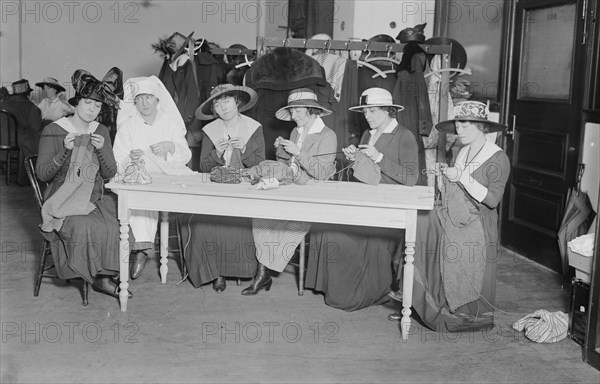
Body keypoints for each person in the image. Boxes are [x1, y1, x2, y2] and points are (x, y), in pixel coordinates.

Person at [388, 100, 510, 332]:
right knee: (419, 220)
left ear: (481, 127)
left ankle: (427, 300)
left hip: (478, 221)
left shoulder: (498, 158)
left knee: (424, 225)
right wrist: (444, 176)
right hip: (456, 212)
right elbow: (453, 192)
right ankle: (415, 298)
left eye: (464, 126)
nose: (459, 131)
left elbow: (492, 200)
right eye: (457, 126)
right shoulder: (463, 151)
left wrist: (461, 176)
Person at [305, 88, 419, 311]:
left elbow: (411, 178)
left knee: (344, 236)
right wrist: (355, 157)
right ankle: (334, 287)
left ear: (388, 111)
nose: (367, 116)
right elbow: (367, 170)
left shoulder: (404, 136)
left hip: (390, 207)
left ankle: (361, 292)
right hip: (368, 199)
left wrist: (379, 157)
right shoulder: (369, 133)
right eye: (365, 111)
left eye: (373, 111)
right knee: (326, 226)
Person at [36, 68, 129, 299]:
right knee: (87, 225)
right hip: (63, 194)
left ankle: (105, 276)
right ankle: (97, 275)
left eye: (98, 106)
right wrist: (64, 152)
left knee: (119, 223)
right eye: (88, 102)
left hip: (95, 192)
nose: (92, 109)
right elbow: (43, 175)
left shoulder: (101, 130)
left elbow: (110, 172)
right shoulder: (54, 130)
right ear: (76, 103)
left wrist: (100, 150)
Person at [242, 88, 337, 295]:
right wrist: (282, 151)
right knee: (259, 214)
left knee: (291, 221)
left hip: (311, 193)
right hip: (290, 186)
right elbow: (287, 167)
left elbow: (322, 174)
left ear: (312, 110)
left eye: (297, 111)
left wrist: (298, 152)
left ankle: (263, 272)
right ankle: (264, 271)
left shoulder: (328, 136)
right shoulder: (296, 131)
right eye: (292, 112)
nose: (293, 116)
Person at [179, 84, 264, 292]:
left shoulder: (254, 127)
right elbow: (204, 168)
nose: (223, 107)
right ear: (214, 110)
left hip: (245, 187)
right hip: (218, 187)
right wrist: (217, 154)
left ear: (237, 102)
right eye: (217, 104)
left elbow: (260, 164)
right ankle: (215, 273)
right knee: (197, 223)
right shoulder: (210, 130)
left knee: (244, 223)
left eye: (226, 101)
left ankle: (243, 270)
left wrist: (244, 150)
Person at [113, 75, 193, 280]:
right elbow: (117, 158)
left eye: (149, 97)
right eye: (139, 98)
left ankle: (145, 247)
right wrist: (131, 159)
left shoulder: (170, 123)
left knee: (158, 193)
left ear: (158, 100)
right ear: (134, 102)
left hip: (168, 176)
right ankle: (141, 247)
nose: (145, 102)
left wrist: (171, 146)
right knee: (140, 196)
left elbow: (185, 154)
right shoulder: (128, 125)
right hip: (140, 177)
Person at [0, 79, 42, 184]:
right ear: (26, 93)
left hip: (3, 141)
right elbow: (36, 126)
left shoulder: (3, 104)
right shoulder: (30, 106)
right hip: (19, 143)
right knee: (38, 139)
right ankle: (31, 176)